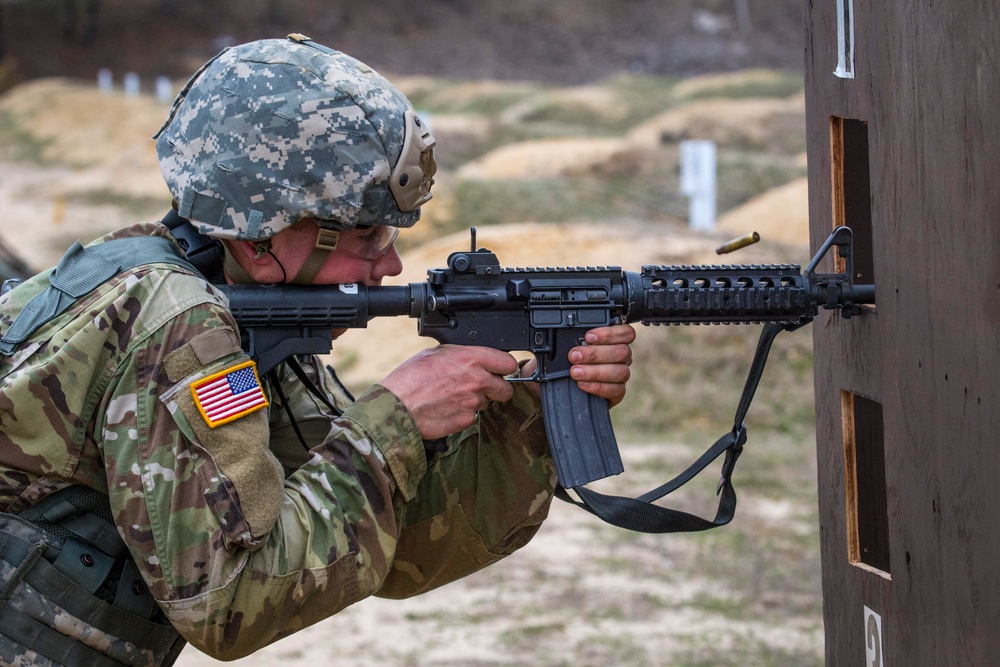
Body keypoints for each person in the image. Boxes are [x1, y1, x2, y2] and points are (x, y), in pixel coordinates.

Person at [0, 35, 635, 665]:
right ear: (261, 237)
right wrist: (394, 421)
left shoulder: (225, 299)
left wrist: (528, 408)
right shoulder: (178, 325)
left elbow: (397, 551)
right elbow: (231, 605)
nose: (390, 262)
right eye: (367, 234)